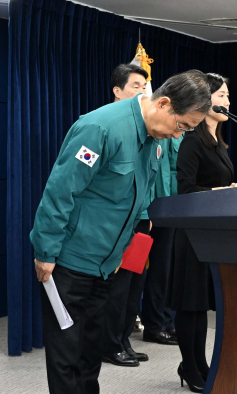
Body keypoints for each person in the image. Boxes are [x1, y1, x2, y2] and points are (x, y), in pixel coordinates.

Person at [31, 70, 211, 394]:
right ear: (165, 104)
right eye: (181, 126)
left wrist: (122, 251)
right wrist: (45, 253)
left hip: (107, 265)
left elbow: (136, 201)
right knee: (66, 355)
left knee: (91, 355)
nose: (177, 136)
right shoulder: (100, 127)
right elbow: (60, 192)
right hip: (70, 262)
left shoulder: (154, 141)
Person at [169, 73, 237, 393]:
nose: (227, 101)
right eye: (222, 95)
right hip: (191, 235)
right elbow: (184, 189)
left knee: (201, 306)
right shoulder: (193, 140)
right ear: (206, 100)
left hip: (211, 235)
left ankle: (199, 364)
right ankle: (190, 367)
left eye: (227, 96)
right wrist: (222, 190)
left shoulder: (218, 142)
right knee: (190, 305)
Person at [101, 63, 152, 368]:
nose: (143, 91)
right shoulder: (107, 127)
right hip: (117, 224)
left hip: (141, 220)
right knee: (116, 291)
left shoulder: (146, 132)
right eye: (136, 86)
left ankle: (123, 339)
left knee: (133, 288)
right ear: (117, 92)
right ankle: (109, 345)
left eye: (145, 87)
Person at [140, 131, 182, 346]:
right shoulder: (156, 130)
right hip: (151, 207)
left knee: (166, 270)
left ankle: (165, 322)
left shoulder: (181, 132)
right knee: (149, 270)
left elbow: (176, 172)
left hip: (171, 206)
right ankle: (153, 325)